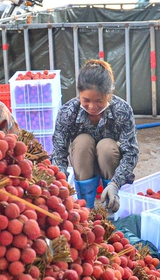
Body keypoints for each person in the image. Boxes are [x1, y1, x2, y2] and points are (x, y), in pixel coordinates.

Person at [51, 60, 138, 213]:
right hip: (82, 164)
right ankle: (86, 206)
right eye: (86, 100)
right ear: (79, 94)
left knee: (106, 146)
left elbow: (130, 153)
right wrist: (61, 185)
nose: (92, 107)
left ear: (109, 94)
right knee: (82, 141)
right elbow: (59, 151)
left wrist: (115, 184)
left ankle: (111, 203)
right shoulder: (68, 112)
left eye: (99, 100)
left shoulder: (122, 110)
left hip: (110, 165)